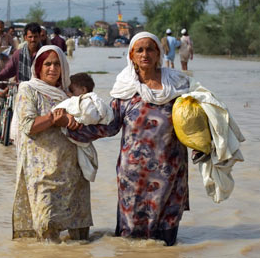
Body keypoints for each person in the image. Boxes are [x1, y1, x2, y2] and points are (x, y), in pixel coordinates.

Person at [67, 32, 191, 246]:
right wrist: (71, 129)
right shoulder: (125, 89)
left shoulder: (176, 87)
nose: (145, 54)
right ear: (131, 56)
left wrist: (207, 148)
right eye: (139, 50)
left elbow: (191, 123)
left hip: (169, 171)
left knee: (166, 238)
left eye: (150, 49)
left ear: (158, 53)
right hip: (134, 175)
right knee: (130, 239)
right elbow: (110, 126)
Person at [12, 45, 92, 242]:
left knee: (78, 238)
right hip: (42, 172)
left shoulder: (67, 93)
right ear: (38, 67)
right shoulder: (28, 89)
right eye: (47, 64)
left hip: (71, 171)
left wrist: (72, 121)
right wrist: (52, 119)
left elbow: (87, 122)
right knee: (47, 225)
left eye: (57, 64)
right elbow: (28, 125)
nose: (52, 68)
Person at [54, 73, 113, 182]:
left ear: (83, 90)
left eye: (71, 90)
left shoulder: (86, 102)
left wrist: (76, 119)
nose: (68, 93)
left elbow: (89, 115)